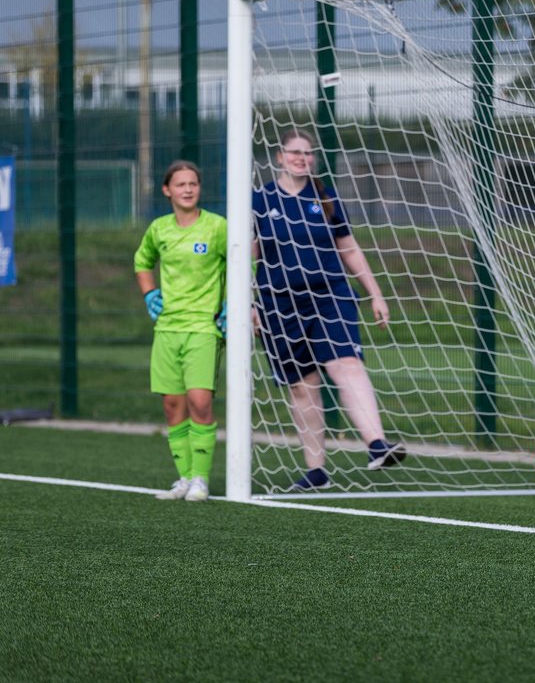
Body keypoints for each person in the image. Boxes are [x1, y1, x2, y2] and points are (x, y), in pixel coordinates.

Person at [252, 128, 406, 491]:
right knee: (303, 387)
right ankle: (316, 470)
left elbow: (349, 249)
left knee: (347, 364)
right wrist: (248, 304)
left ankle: (377, 444)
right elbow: (248, 255)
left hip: (330, 295)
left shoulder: (326, 198)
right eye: (294, 152)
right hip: (279, 301)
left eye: (307, 153)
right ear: (280, 156)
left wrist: (376, 294)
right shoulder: (259, 200)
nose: (301, 158)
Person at [134, 160, 227, 503]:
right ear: (167, 190)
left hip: (203, 327)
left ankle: (201, 479)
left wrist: (232, 303)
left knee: (200, 402)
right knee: (173, 406)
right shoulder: (159, 229)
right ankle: (184, 478)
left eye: (194, 183)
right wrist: (149, 294)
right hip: (167, 328)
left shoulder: (217, 227)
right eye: (181, 184)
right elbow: (142, 261)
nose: (188, 189)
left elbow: (240, 262)